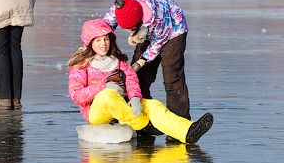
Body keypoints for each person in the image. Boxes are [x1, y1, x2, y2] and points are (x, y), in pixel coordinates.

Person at [68, 19, 213, 144]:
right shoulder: (81, 65)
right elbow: (76, 95)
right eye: (98, 40)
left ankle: (188, 131)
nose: (103, 44)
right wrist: (102, 86)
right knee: (107, 96)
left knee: (153, 105)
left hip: (122, 104)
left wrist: (135, 98)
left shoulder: (117, 61)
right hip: (97, 112)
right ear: (90, 42)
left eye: (106, 39)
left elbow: (131, 79)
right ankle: (143, 125)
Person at [103, 0, 191, 119]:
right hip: (148, 30)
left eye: (131, 29)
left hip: (173, 28)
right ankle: (141, 117)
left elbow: (158, 44)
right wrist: (91, 47)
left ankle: (179, 121)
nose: (128, 31)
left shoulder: (158, 16)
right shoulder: (119, 8)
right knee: (137, 76)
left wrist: (141, 62)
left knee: (172, 75)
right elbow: (103, 28)